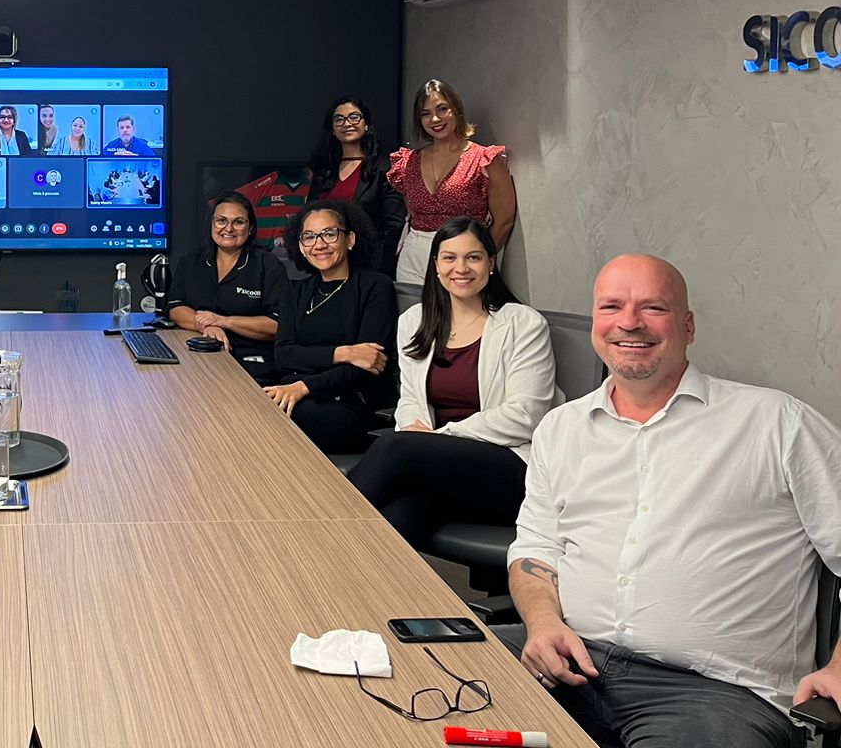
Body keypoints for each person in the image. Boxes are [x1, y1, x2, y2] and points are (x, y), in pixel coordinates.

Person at [497, 254, 841, 748]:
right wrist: (544, 621)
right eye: (611, 306)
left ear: (688, 326)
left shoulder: (776, 424)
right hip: (568, 663)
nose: (629, 322)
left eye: (652, 307)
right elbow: (536, 547)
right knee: (412, 681)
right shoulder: (561, 428)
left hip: (714, 695)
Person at [347, 216, 555, 549]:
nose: (461, 267)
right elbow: (411, 401)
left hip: (510, 466)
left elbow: (525, 415)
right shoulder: (415, 321)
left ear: (490, 263)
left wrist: (438, 438)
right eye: (450, 258)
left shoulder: (523, 324)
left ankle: (313, 540)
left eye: (473, 257)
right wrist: (420, 438)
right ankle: (353, 596)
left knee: (394, 447)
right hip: (437, 469)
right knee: (398, 520)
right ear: (436, 266)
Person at [262, 202, 397, 452]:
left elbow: (367, 367)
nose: (319, 244)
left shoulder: (376, 287)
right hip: (294, 389)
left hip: (349, 401)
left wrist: (306, 385)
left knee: (272, 426)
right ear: (301, 247)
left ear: (350, 240)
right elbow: (283, 355)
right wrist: (343, 353)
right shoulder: (295, 291)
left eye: (329, 234)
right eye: (309, 236)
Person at [387, 79, 516, 285]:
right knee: (413, 316)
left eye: (442, 109)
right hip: (414, 258)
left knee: (460, 316)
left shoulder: (483, 159)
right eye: (425, 114)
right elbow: (412, 212)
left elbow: (504, 221)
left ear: (456, 109)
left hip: (463, 256)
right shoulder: (408, 162)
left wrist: (479, 256)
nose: (435, 119)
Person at [166, 191, 285, 379]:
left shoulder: (268, 265)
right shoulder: (192, 261)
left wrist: (223, 321)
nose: (228, 228)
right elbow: (175, 307)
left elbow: (277, 325)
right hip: (197, 357)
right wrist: (206, 327)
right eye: (221, 221)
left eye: (238, 222)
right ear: (212, 224)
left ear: (251, 227)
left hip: (252, 364)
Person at [304, 95, 406, 277]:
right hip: (325, 266)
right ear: (333, 130)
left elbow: (394, 225)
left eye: (354, 117)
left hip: (368, 268)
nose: (347, 123)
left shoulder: (384, 168)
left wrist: (379, 270)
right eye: (339, 119)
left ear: (366, 125)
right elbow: (308, 217)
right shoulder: (324, 170)